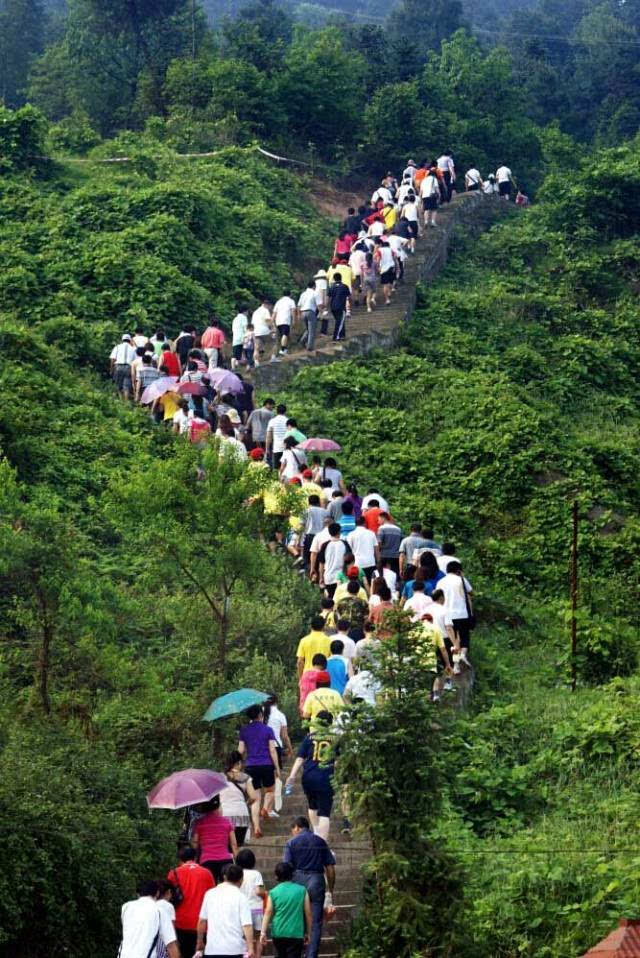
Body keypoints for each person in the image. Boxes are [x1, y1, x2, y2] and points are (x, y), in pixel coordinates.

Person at [281, 818, 335, 958]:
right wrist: (330, 891)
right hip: (317, 880)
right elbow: (330, 868)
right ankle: (311, 955)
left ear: (297, 828)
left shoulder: (291, 843)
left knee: (297, 918)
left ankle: (296, 953)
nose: (293, 833)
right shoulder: (320, 841)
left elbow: (286, 867)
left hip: (297, 881)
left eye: (293, 830)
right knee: (316, 922)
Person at [286, 715, 336, 841]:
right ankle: (321, 843)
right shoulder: (335, 738)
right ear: (330, 723)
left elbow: (300, 758)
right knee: (324, 813)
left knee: (312, 806)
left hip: (308, 776)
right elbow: (338, 761)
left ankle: (316, 832)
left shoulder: (309, 737)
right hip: (325, 777)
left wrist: (292, 775)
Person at [238, 705, 281, 834]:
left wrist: (238, 765)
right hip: (266, 764)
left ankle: (256, 827)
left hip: (251, 766)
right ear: (260, 715)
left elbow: (240, 750)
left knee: (255, 797)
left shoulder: (244, 730)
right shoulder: (268, 730)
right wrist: (277, 768)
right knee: (270, 791)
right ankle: (265, 809)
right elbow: (272, 750)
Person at [196, 864, 254, 958]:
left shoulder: (209, 894)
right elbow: (247, 925)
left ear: (224, 877)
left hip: (212, 950)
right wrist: (251, 947)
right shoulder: (241, 897)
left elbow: (202, 921)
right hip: (235, 949)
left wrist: (199, 942)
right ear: (241, 880)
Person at [168, 848, 215, 958]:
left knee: (183, 953)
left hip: (180, 922)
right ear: (195, 858)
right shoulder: (206, 873)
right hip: (201, 923)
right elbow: (212, 896)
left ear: (180, 859)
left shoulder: (173, 873)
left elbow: (168, 897)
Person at [260, 861, 312, 958]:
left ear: (276, 876)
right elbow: (308, 913)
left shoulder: (273, 892)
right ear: (292, 874)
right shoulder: (302, 890)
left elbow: (268, 912)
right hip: (295, 933)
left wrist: (263, 932)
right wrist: (308, 932)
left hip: (278, 933)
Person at [119, 880, 179, 958]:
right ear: (157, 893)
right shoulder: (160, 911)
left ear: (138, 893)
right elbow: (171, 945)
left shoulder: (126, 907)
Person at [191, 795, 238, 884]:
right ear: (218, 806)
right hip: (225, 860)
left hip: (207, 861)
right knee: (227, 888)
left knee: (209, 887)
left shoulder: (199, 823)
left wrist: (195, 859)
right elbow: (234, 844)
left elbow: (195, 844)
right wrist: (238, 861)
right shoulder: (227, 821)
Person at [220, 751, 259, 846]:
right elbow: (254, 797)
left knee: (227, 845)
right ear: (238, 763)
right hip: (241, 814)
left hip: (225, 814)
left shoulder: (220, 778)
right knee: (238, 845)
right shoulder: (245, 777)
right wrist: (246, 803)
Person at [439, 561, 474, 662]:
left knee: (452, 640)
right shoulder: (462, 580)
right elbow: (471, 592)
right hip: (462, 613)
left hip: (447, 615)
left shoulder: (441, 582)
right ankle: (463, 654)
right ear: (458, 570)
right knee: (464, 638)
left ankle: (456, 664)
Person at [236, 848, 266, 954]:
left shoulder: (237, 874)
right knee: (258, 937)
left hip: (242, 910)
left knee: (244, 936)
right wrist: (265, 894)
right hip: (256, 909)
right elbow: (258, 891)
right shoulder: (256, 874)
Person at [317, 523, 347, 598]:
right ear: (339, 532)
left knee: (331, 599)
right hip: (342, 577)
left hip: (328, 577)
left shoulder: (325, 545)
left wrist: (321, 578)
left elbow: (321, 563)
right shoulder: (345, 544)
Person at [347, 517, 379, 582]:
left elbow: (349, 550)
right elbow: (376, 550)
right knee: (371, 584)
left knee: (359, 585)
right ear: (364, 523)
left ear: (355, 524)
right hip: (370, 562)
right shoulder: (371, 533)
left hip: (357, 563)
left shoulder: (351, 534)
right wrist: (378, 562)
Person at [110, 334, 137, 400]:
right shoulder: (133, 349)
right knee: (126, 386)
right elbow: (135, 361)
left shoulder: (117, 347)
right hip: (128, 367)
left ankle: (120, 400)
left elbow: (113, 359)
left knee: (118, 385)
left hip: (118, 367)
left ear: (122, 340)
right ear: (130, 340)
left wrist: (111, 369)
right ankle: (126, 403)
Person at [327, 272, 351, 342]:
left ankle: (342, 335)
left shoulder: (331, 287)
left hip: (333, 307)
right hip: (341, 307)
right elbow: (349, 297)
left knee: (340, 321)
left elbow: (328, 298)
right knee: (339, 322)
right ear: (341, 278)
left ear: (334, 279)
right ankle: (336, 337)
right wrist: (349, 306)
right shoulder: (344, 286)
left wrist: (327, 307)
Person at [272, 290, 297, 356]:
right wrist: (294, 320)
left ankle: (284, 349)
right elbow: (293, 311)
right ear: (290, 294)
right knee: (285, 334)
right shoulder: (291, 301)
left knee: (282, 335)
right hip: (285, 320)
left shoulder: (278, 302)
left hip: (278, 321)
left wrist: (272, 321)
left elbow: (274, 313)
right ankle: (283, 350)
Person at [266, 404, 289, 470]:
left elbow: (268, 436)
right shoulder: (288, 421)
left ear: (276, 411)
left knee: (277, 469)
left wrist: (267, 449)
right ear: (285, 411)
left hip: (276, 448)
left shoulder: (272, 421)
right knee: (286, 469)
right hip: (286, 448)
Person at [251, 299, 273, 366]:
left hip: (255, 331)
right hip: (264, 331)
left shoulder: (255, 312)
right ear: (267, 305)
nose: (270, 308)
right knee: (273, 342)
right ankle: (272, 358)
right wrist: (272, 328)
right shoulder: (265, 310)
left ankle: (256, 362)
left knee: (256, 347)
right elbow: (267, 320)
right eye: (269, 306)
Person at [298, 281, 318, 353]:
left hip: (303, 312)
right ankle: (310, 347)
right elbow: (319, 304)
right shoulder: (314, 293)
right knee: (312, 330)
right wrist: (321, 312)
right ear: (314, 286)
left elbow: (299, 305)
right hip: (310, 312)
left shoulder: (303, 294)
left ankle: (302, 341)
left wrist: (299, 314)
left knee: (308, 329)